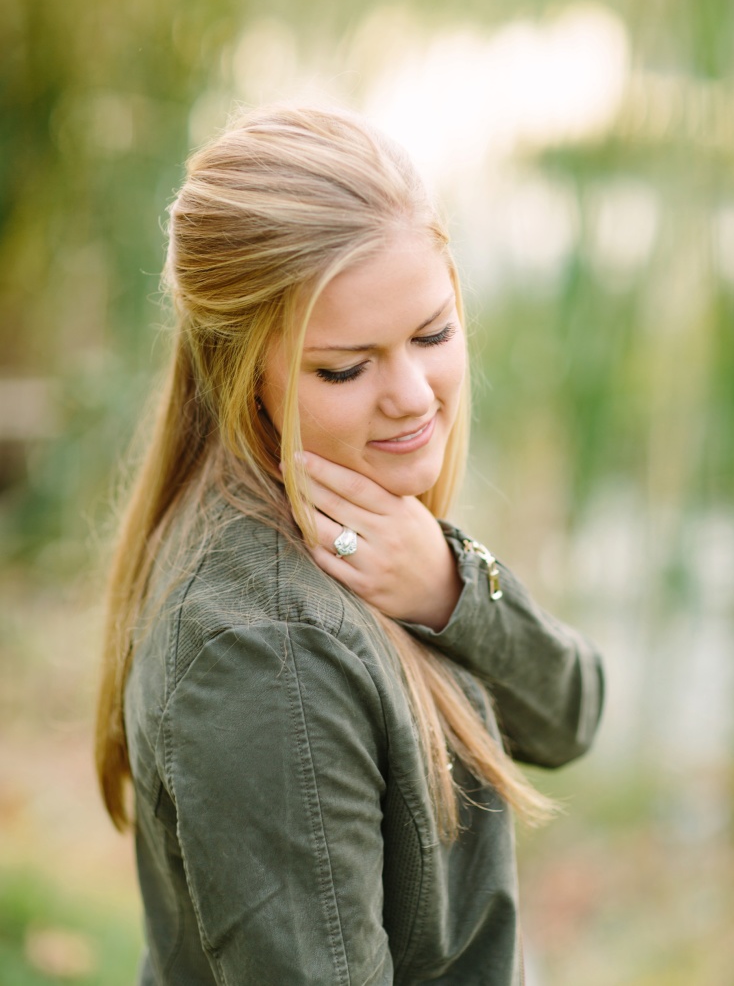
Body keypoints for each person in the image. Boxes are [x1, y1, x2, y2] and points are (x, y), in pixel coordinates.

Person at [95, 103, 604, 986]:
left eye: (434, 334)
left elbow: (569, 717)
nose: (412, 395)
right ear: (245, 367)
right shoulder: (263, 653)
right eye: (347, 366)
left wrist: (451, 589)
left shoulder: (374, 524)